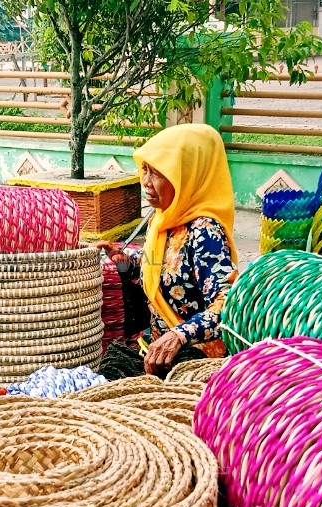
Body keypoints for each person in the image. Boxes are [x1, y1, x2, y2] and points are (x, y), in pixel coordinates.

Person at [95, 124, 238, 380]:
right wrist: (125, 261)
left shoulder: (205, 232)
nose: (146, 182)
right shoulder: (162, 220)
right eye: (145, 170)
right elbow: (162, 270)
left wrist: (179, 335)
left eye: (158, 173)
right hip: (159, 353)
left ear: (187, 175)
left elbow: (229, 306)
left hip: (196, 361)